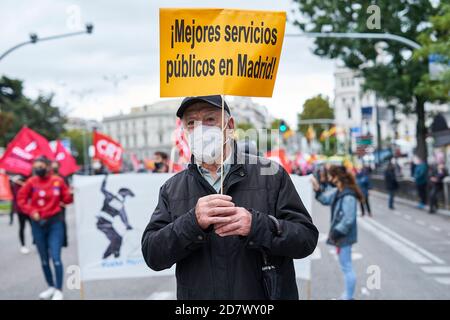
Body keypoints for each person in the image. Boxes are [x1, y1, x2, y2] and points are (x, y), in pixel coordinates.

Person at [141, 95, 318, 300]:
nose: (201, 129)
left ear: (230, 125)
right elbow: (153, 254)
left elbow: (306, 239)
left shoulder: (271, 175)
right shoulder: (172, 189)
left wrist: (256, 225)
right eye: (192, 123)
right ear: (185, 131)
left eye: (210, 119)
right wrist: (192, 222)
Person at [17, 157, 73, 300]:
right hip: (38, 225)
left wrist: (71, 193)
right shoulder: (31, 182)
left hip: (55, 223)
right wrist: (31, 211)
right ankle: (51, 286)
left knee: (56, 258)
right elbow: (21, 198)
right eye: (36, 166)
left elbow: (67, 199)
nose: (38, 169)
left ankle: (59, 290)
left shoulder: (58, 181)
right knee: (43, 259)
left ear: (48, 166)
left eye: (41, 166)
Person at [311, 165, 363, 300]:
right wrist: (317, 189)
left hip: (344, 237)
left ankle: (348, 297)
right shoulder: (339, 191)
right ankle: (347, 296)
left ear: (337, 177)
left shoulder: (348, 195)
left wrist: (335, 233)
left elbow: (348, 219)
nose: (328, 178)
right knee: (345, 266)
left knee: (347, 267)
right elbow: (325, 199)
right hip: (341, 237)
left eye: (330, 175)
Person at [97, 174, 134, 259]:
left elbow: (124, 218)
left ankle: (111, 255)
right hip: (103, 223)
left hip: (106, 224)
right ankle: (108, 256)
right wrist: (104, 179)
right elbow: (124, 218)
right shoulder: (118, 203)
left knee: (117, 239)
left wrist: (128, 225)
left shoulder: (115, 201)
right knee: (116, 239)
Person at [10, 175, 31, 254]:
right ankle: (23, 245)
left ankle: (36, 242)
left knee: (34, 227)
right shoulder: (15, 185)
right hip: (21, 210)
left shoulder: (28, 183)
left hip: (30, 210)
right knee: (22, 227)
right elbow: (17, 196)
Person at [51, 161, 69, 247]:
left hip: (61, 205)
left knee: (61, 222)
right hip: (51, 205)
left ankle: (63, 241)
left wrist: (64, 201)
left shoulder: (62, 178)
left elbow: (67, 191)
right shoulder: (48, 178)